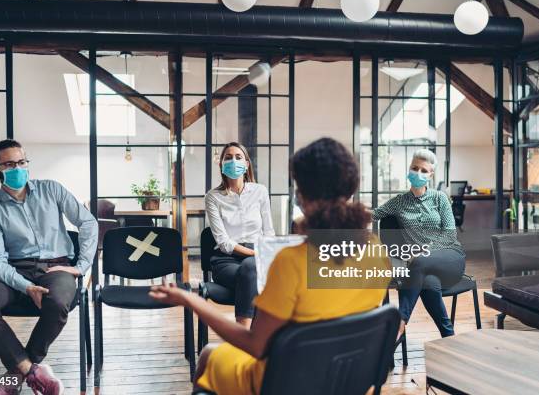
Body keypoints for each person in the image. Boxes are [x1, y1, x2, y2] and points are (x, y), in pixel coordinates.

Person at [151, 137, 388, 394]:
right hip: (347, 379)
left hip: (287, 381)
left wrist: (190, 300)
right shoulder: (377, 253)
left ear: (302, 196)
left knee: (209, 353)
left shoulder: (291, 263)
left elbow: (257, 346)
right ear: (350, 188)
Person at [0, 139, 98, 395]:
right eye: (10, 164)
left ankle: (17, 371)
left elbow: (89, 223)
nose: (18, 168)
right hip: (13, 272)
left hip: (56, 268)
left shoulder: (52, 190)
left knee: (58, 302)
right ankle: (31, 369)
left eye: (22, 162)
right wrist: (26, 287)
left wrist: (81, 266)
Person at [373, 149, 465, 338]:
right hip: (421, 268)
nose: (418, 173)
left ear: (430, 175)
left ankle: (399, 322)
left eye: (424, 170)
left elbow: (450, 235)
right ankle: (449, 336)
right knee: (428, 282)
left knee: (419, 262)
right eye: (415, 168)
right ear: (409, 169)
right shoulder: (398, 202)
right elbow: (373, 214)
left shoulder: (440, 198)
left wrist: (424, 251)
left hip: (450, 259)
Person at [204, 142, 275, 327]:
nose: (233, 161)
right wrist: (256, 255)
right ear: (221, 164)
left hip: (257, 256)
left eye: (238, 157)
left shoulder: (260, 191)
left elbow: (268, 231)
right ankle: (250, 333)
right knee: (252, 273)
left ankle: (245, 336)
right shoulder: (213, 197)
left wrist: (267, 255)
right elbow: (223, 242)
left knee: (251, 271)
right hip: (226, 260)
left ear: (246, 163)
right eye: (228, 158)